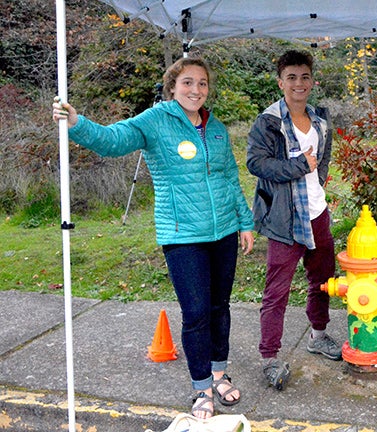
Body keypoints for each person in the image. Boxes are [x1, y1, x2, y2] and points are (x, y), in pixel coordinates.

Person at [52, 57, 255, 419]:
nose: (196, 90)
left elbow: (229, 179)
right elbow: (112, 140)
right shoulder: (155, 121)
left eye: (203, 83)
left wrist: (245, 222)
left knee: (219, 308)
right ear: (173, 85)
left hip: (224, 232)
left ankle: (220, 373)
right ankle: (201, 388)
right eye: (188, 82)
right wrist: (77, 123)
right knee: (195, 314)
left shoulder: (218, 128)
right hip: (182, 235)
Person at [246, 50, 341, 391]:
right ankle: (269, 357)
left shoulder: (319, 120)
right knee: (277, 292)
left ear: (312, 81)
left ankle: (318, 335)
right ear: (280, 81)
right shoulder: (268, 122)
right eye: (291, 77)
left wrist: (317, 177)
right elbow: (256, 164)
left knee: (322, 279)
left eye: (304, 77)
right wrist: (299, 166)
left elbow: (323, 158)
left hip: (317, 214)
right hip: (286, 222)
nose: (298, 83)